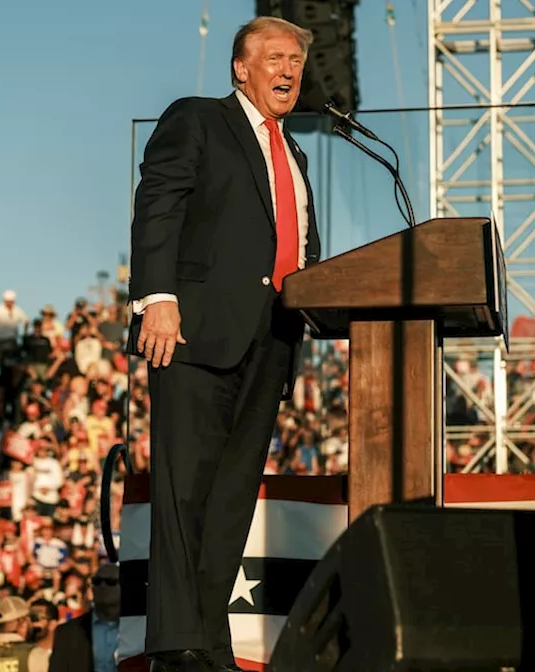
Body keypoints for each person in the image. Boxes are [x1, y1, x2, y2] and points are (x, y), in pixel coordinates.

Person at [127, 16, 321, 672]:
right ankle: (174, 646)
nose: (287, 68)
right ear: (241, 68)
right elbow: (159, 203)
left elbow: (299, 250)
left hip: (269, 345)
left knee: (231, 500)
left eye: (295, 57)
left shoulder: (293, 155)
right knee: (183, 496)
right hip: (191, 334)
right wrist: (158, 298)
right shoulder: (199, 119)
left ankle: (208, 643)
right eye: (274, 56)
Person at [48, 563, 120, 672]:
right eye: (97, 582)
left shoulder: (141, 630)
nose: (103, 586)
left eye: (111, 582)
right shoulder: (66, 632)